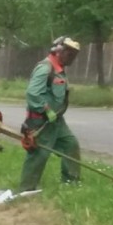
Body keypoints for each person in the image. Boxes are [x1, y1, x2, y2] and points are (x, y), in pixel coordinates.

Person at [19, 36, 81, 193]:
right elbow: (32, 93)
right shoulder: (45, 68)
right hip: (41, 121)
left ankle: (71, 183)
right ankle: (26, 189)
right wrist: (46, 110)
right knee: (39, 155)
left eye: (74, 55)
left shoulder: (60, 70)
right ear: (58, 51)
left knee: (70, 145)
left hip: (57, 121)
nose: (72, 58)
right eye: (69, 54)